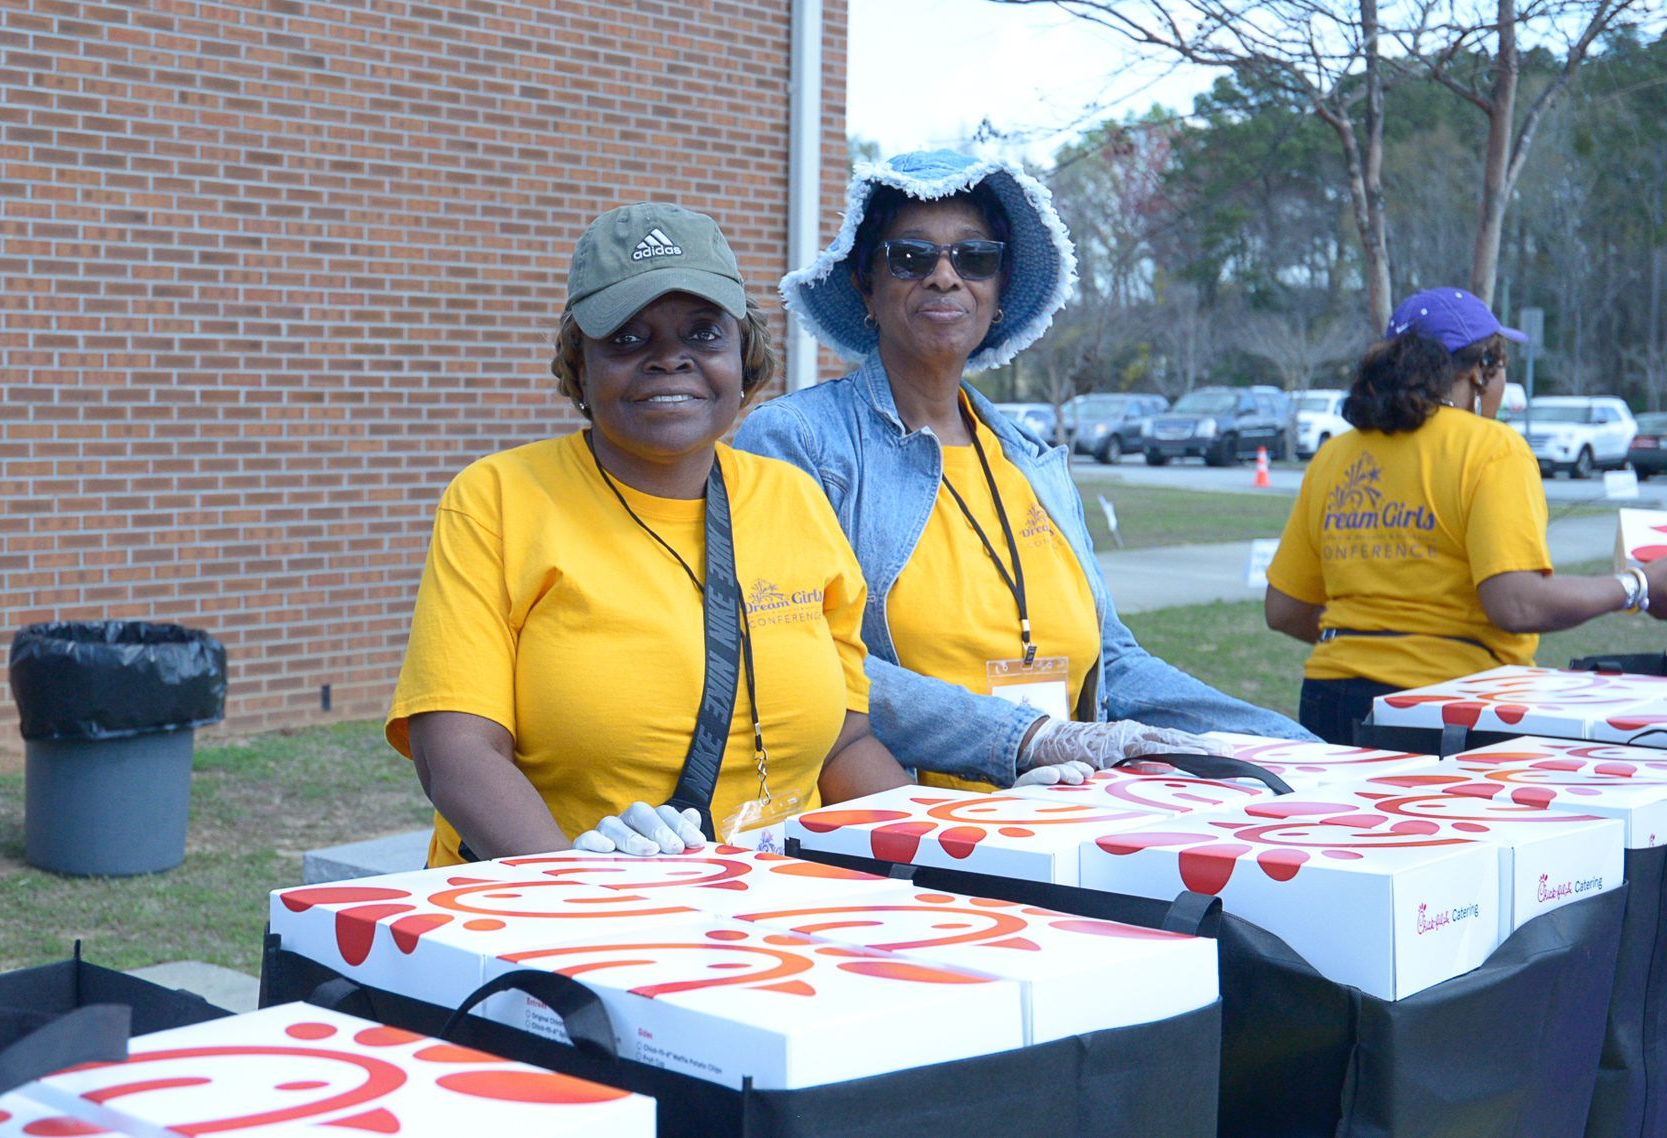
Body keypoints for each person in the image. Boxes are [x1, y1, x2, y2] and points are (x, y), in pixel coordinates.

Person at [736, 149, 1312, 794]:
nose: (945, 277)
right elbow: (801, 653)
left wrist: (1293, 745)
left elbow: (1112, 662)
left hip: (1064, 812)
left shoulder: (1031, 458)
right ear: (865, 284)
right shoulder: (801, 440)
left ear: (999, 289)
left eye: (974, 258)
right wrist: (1025, 738)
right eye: (911, 257)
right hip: (900, 822)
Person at [388, 202, 913, 865]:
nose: (669, 360)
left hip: (775, 904)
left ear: (743, 355)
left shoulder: (795, 500)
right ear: (580, 366)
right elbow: (456, 753)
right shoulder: (498, 500)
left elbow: (843, 743)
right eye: (628, 339)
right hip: (562, 902)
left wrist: (956, 845)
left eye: (703, 334)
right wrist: (581, 887)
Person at [1264, 287, 1667, 743]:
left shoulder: (1335, 456)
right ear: (1481, 369)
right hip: (1450, 707)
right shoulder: (1491, 448)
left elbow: (1284, 608)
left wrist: (1371, 641)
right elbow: (1516, 604)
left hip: (1329, 698)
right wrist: (1638, 585)